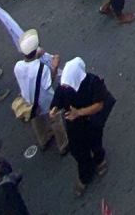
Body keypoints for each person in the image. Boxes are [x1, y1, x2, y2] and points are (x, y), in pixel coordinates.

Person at [50, 57, 115, 197]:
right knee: (78, 151)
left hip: (91, 121)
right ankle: (85, 174)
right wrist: (54, 108)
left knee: (95, 143)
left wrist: (78, 113)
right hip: (75, 125)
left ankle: (100, 160)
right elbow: (58, 96)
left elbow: (99, 105)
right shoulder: (65, 86)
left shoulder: (93, 82)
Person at [13, 29, 67, 156]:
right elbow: (49, 82)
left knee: (36, 121)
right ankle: (63, 144)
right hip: (46, 100)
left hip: (29, 100)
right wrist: (54, 66)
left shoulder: (18, 66)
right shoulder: (41, 68)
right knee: (55, 120)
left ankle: (44, 140)